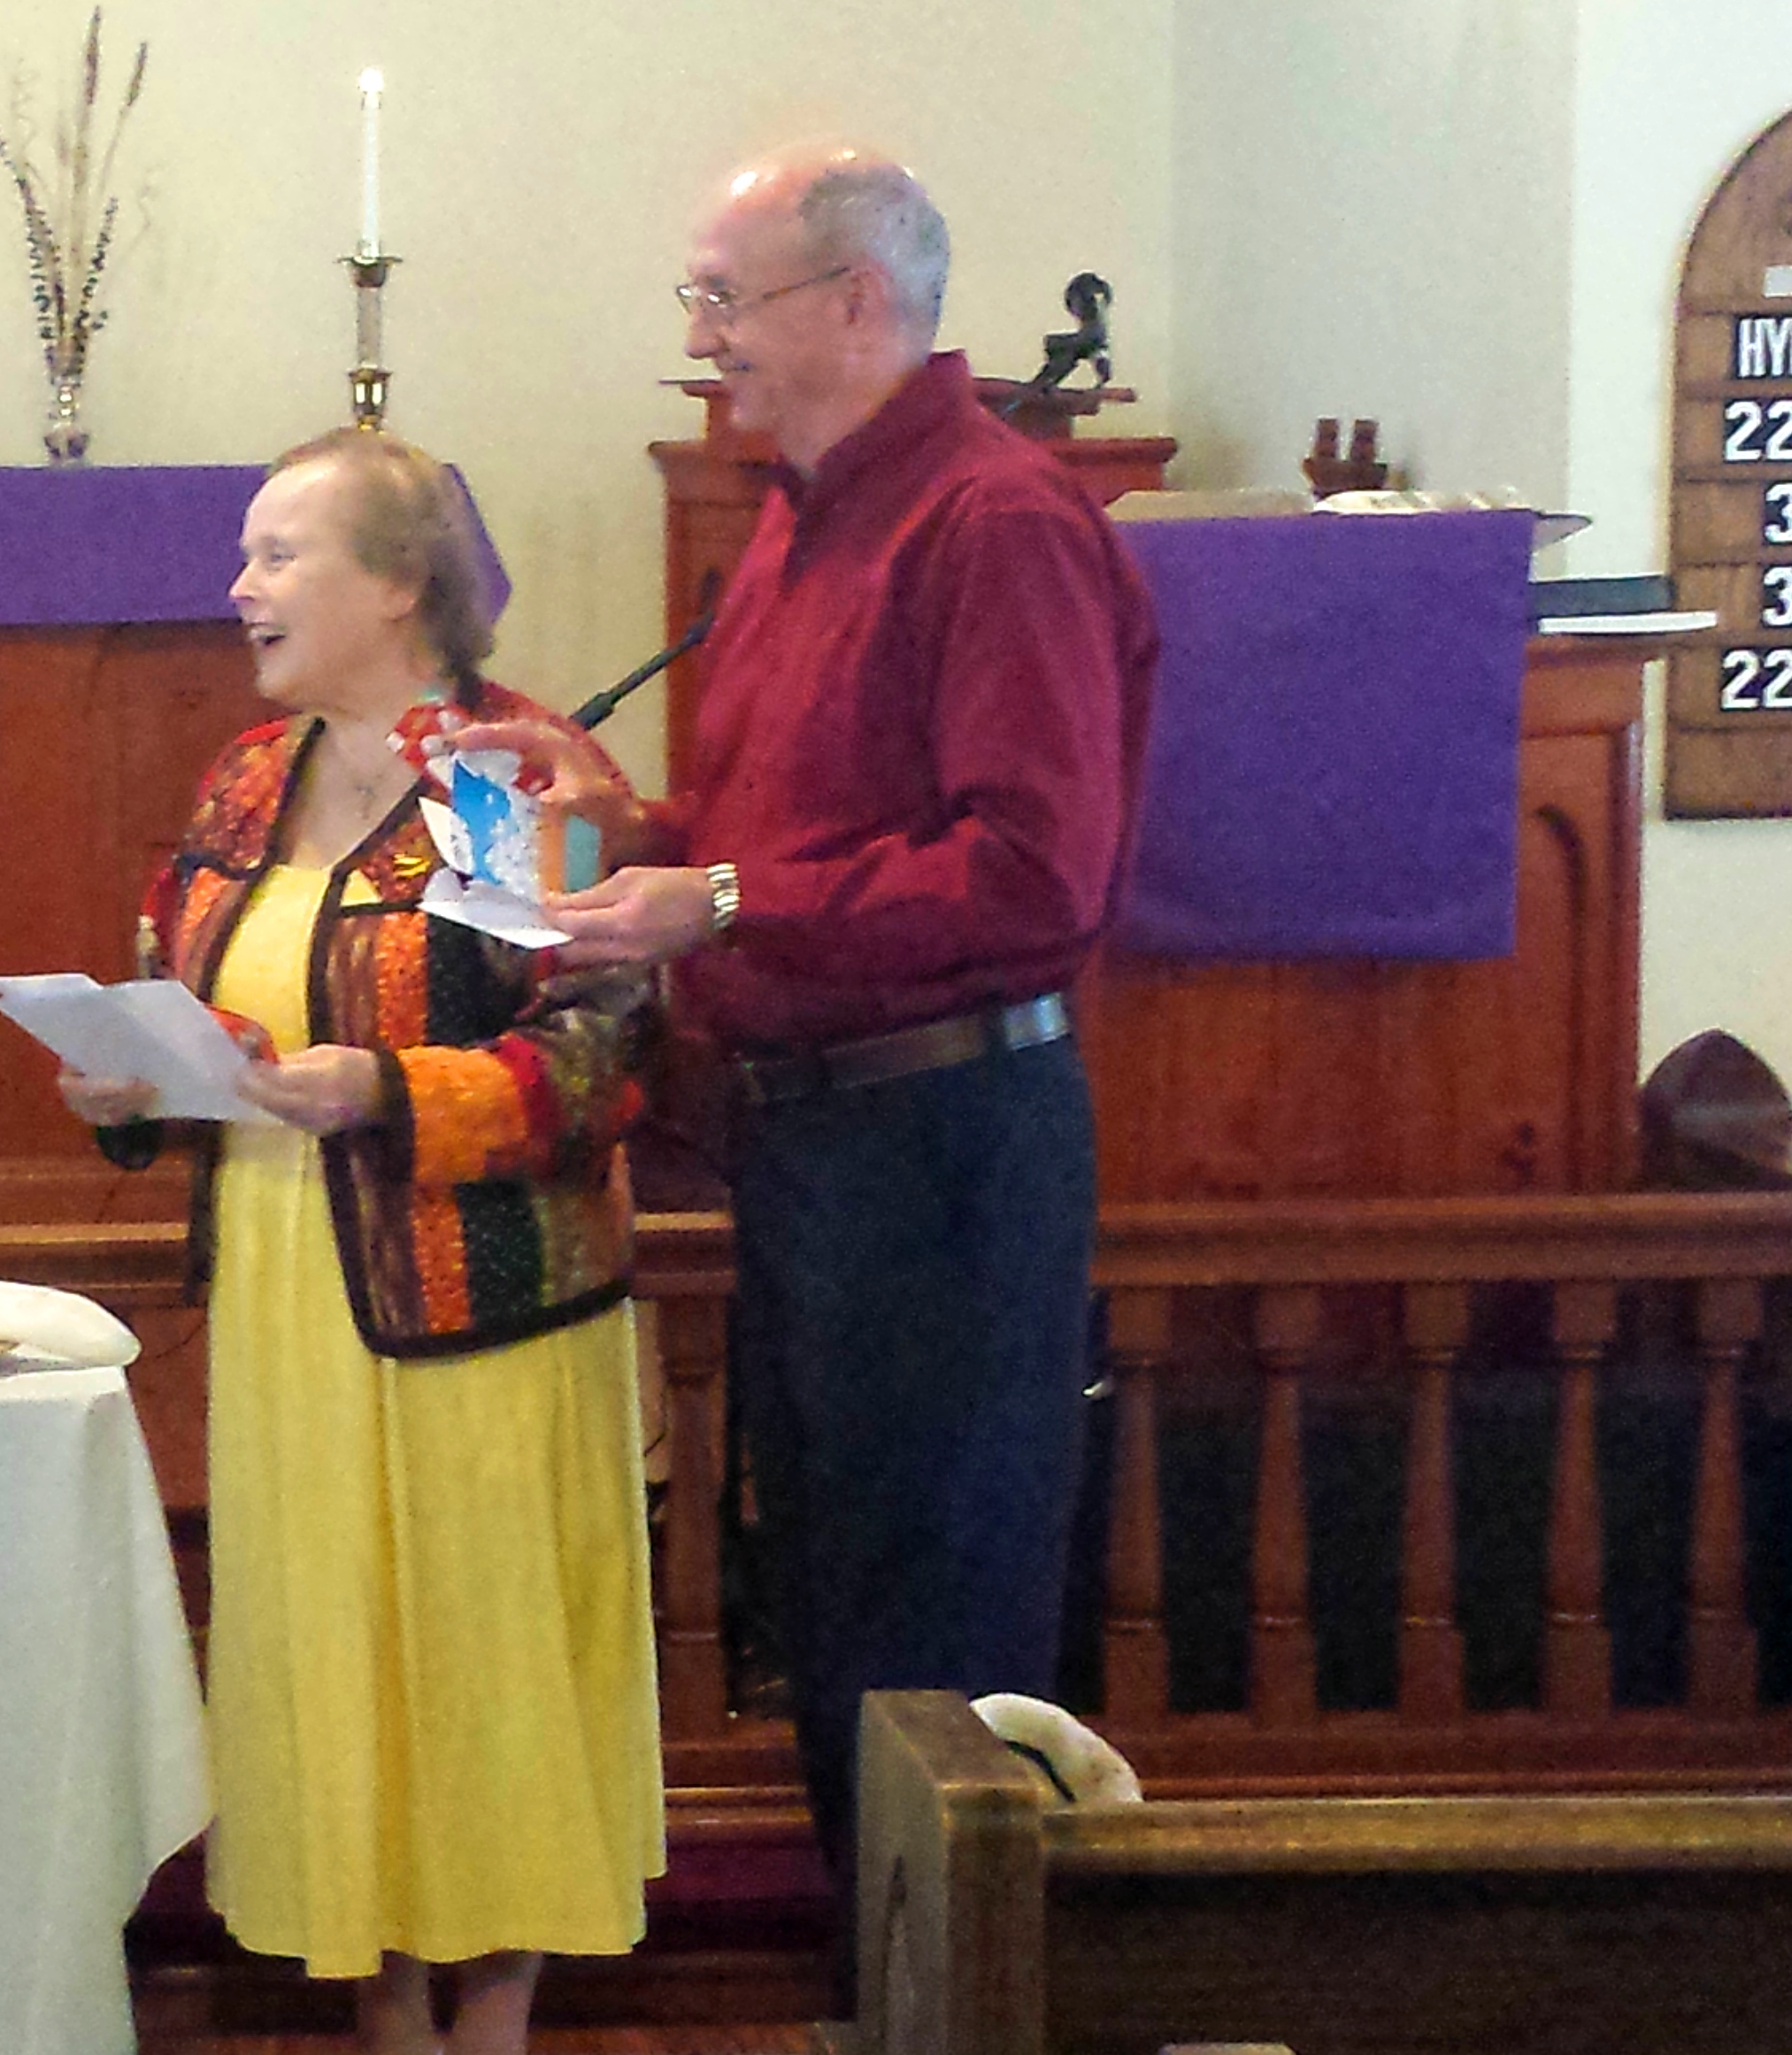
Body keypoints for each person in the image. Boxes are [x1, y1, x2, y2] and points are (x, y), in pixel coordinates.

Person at [464, 143, 1157, 1959]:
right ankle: (885, 1988)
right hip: (818, 1143)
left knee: (938, 1645)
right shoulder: (798, 515)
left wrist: (715, 899)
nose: (701, 338)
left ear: (857, 301)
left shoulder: (995, 522)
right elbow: (797, 838)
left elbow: (1033, 872)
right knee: (838, 1616)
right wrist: (639, 827)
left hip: (946, 1140)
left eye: (724, 298)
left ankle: (959, 2000)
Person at [57, 427, 664, 2055]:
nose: (239, 587)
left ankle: (496, 2016)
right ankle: (384, 2010)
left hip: (478, 1301)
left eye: (279, 554)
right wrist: (134, 1084)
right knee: (326, 1648)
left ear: (399, 584)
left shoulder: (504, 777)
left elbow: (603, 1054)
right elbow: (189, 995)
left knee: (485, 1655)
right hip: (286, 1284)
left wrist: (389, 1090)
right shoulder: (246, 778)